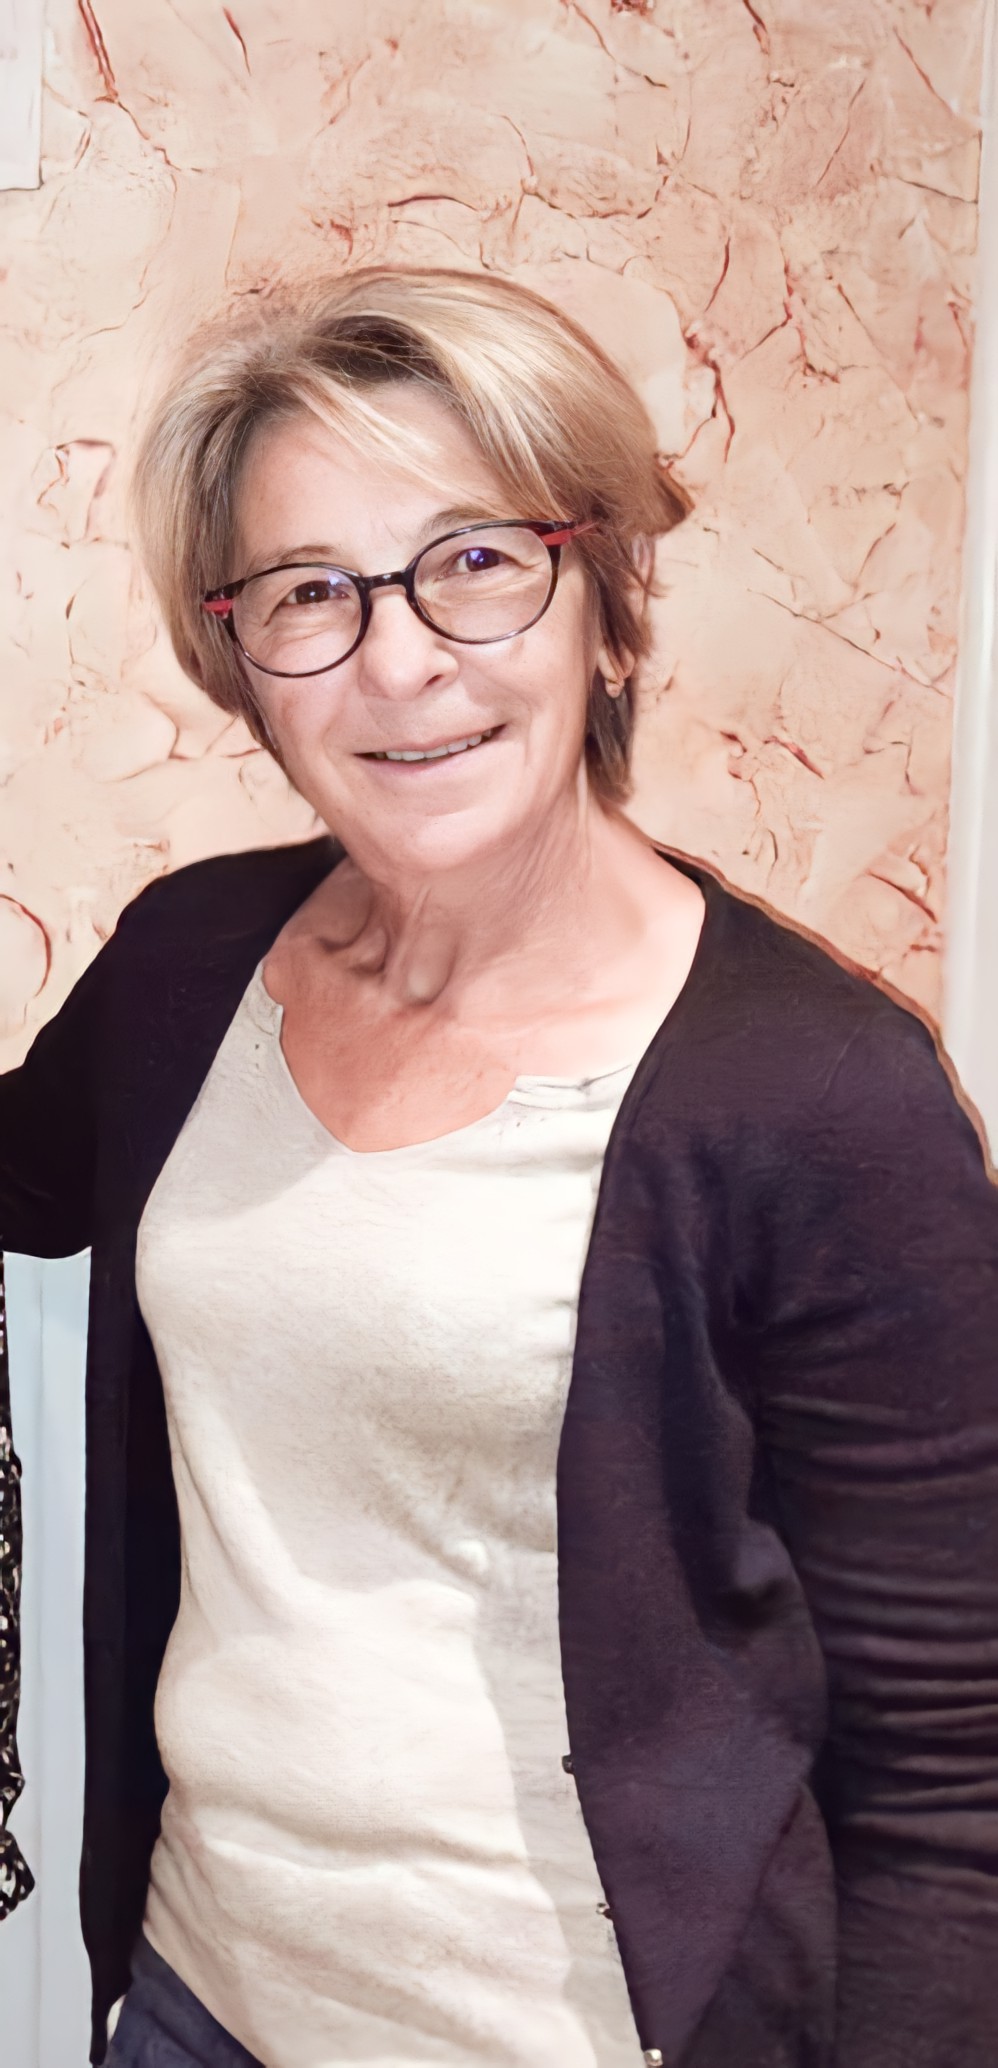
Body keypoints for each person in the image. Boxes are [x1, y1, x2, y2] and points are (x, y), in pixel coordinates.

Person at [1, 265, 996, 2068]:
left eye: (471, 560)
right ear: (244, 663)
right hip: (197, 1995)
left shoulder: (819, 1096)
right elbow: (16, 1179)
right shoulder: (184, 970)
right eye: (310, 591)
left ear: (605, 606)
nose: (399, 661)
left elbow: (950, 1777)